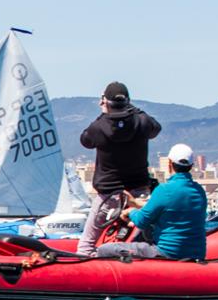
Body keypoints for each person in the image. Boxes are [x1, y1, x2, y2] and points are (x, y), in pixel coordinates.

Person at [77, 81, 162, 256]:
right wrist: (131, 108)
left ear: (105, 102)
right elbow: (156, 128)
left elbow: (85, 140)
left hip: (109, 195)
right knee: (148, 241)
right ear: (127, 102)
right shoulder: (142, 121)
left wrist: (104, 114)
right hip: (139, 194)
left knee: (86, 246)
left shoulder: (98, 127)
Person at [96, 144, 207, 260]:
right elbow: (175, 208)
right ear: (191, 166)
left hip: (167, 253)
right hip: (197, 253)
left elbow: (141, 221)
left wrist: (130, 211)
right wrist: (135, 203)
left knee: (104, 250)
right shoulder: (199, 191)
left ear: (169, 164)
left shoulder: (164, 190)